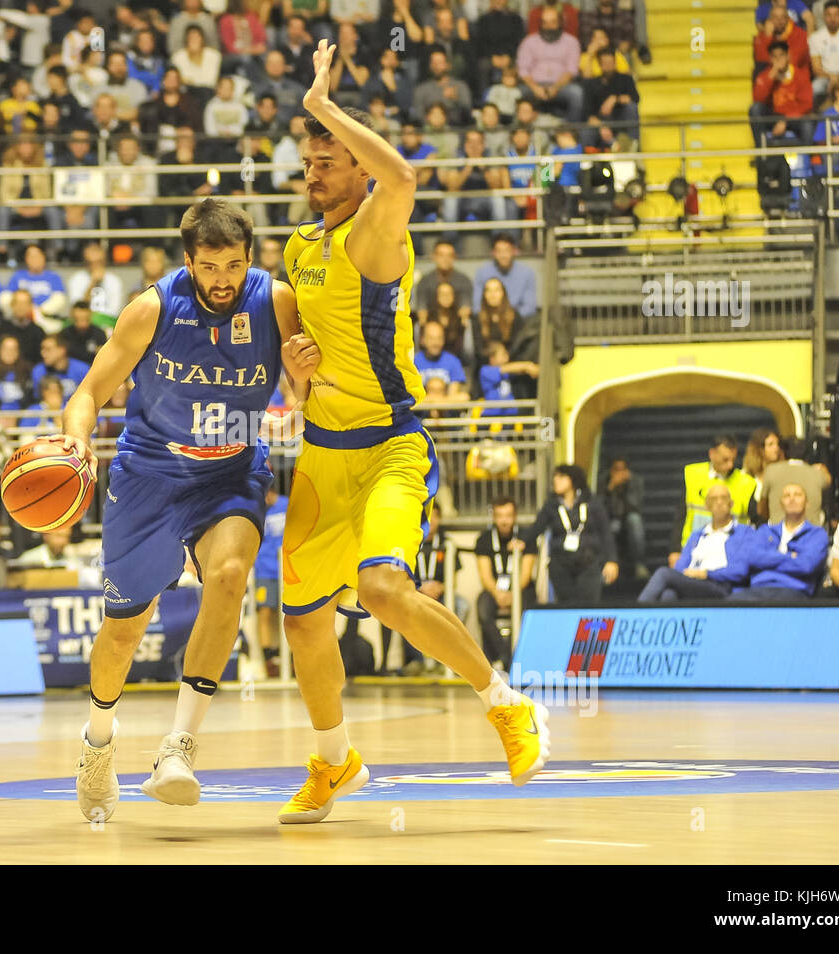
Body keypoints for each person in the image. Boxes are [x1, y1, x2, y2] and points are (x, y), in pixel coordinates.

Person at [276, 40, 551, 827]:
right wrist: (294, 367)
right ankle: (336, 761)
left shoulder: (375, 230)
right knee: (301, 621)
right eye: (308, 159)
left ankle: (506, 706)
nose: (313, 169)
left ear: (358, 170)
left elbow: (404, 176)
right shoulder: (299, 247)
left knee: (383, 588)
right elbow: (295, 342)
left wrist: (325, 107)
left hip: (392, 447)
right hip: (321, 458)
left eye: (326, 159)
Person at [55, 198, 319, 822]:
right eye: (209, 267)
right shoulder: (151, 308)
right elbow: (88, 392)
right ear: (188, 263)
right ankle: (97, 743)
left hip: (229, 472)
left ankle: (178, 748)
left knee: (229, 576)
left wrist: (303, 380)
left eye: (233, 265)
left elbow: (303, 400)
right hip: (148, 476)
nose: (222, 279)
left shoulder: (276, 302)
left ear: (251, 260)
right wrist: (75, 439)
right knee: (124, 631)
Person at [522, 463, 619, 603]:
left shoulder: (592, 503)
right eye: (555, 476)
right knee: (566, 605)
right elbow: (537, 528)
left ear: (573, 480)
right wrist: (522, 540)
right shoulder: (551, 505)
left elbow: (605, 532)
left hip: (589, 563)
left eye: (561, 476)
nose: (556, 480)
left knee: (588, 605)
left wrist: (611, 560)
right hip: (561, 564)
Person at [640, 484, 754, 601]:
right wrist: (689, 575)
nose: (719, 502)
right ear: (707, 506)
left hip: (720, 585)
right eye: (714, 499)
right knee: (669, 594)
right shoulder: (697, 535)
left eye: (723, 498)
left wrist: (706, 574)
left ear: (731, 503)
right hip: (693, 582)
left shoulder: (744, 532)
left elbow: (741, 570)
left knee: (663, 573)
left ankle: (635, 615)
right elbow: (680, 567)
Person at [669, 435, 760, 566]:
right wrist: (675, 550)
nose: (730, 465)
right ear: (712, 454)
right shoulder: (693, 475)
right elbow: (680, 515)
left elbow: (756, 520)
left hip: (731, 552)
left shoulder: (746, 483)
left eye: (733, 459)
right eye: (725, 459)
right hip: (694, 549)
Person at [729, 484, 830, 601]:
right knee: (728, 604)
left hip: (794, 591)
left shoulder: (817, 534)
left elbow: (807, 565)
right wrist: (789, 556)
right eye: (787, 496)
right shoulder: (765, 531)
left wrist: (768, 560)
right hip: (759, 588)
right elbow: (751, 558)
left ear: (807, 503)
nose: (792, 499)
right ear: (781, 504)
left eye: (797, 495)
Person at [475, 495, 536, 671]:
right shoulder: (484, 539)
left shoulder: (526, 537)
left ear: (515, 516)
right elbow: (485, 575)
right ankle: (505, 657)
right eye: (500, 515)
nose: (504, 520)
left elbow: (526, 573)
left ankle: (505, 660)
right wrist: (498, 594)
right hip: (494, 590)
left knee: (527, 608)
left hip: (521, 589)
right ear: (493, 517)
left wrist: (512, 594)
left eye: (508, 515)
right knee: (483, 607)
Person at [254, 486, 289, 677]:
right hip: (264, 570)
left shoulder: (287, 505)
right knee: (265, 611)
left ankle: (291, 657)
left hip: (288, 570)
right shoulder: (258, 510)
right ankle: (269, 657)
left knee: (291, 614)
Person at [761, 437, 832, 525]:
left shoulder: (770, 471)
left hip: (777, 533)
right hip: (812, 533)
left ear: (782, 453)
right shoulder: (817, 474)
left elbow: (761, 507)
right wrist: (824, 470)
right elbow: (828, 481)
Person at [600, 456, 646, 580]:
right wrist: (611, 488)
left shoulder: (635, 481)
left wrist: (626, 486)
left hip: (628, 518)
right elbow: (599, 508)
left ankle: (639, 564)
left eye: (622, 469)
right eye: (616, 469)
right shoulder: (603, 481)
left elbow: (635, 506)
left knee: (635, 521)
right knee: (607, 527)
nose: (619, 473)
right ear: (611, 470)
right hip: (610, 518)